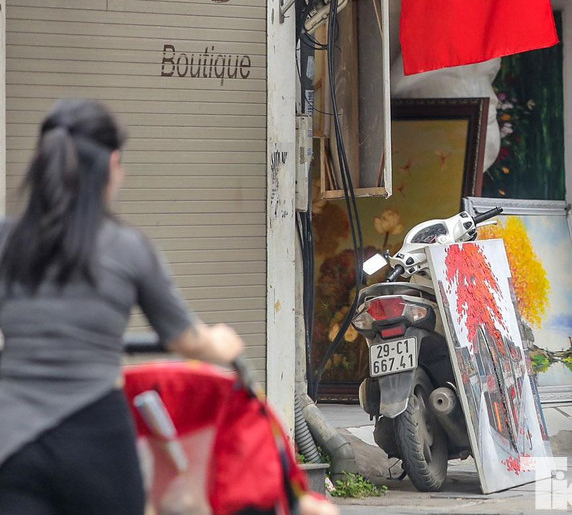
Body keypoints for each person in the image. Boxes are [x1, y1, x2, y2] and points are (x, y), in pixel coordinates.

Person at [0, 100, 335, 515]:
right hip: (95, 442)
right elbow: (188, 341)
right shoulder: (127, 248)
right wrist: (223, 340)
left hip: (10, 440)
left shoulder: (6, 241)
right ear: (112, 164)